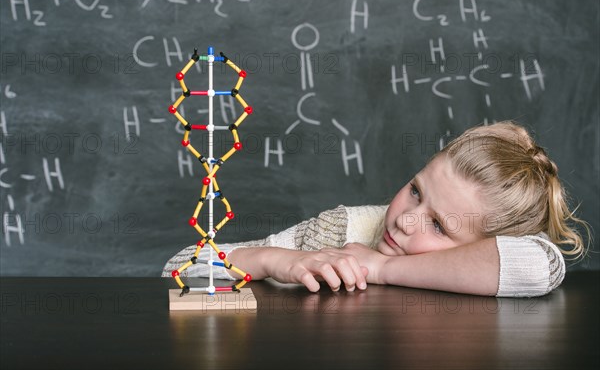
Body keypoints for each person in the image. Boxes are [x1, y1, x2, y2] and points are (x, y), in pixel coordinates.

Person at [162, 121, 589, 297]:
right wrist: (275, 260)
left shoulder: (505, 262)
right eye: (416, 190)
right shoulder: (339, 232)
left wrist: (382, 270)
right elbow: (176, 273)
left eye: (439, 226)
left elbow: (537, 266)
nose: (404, 218)